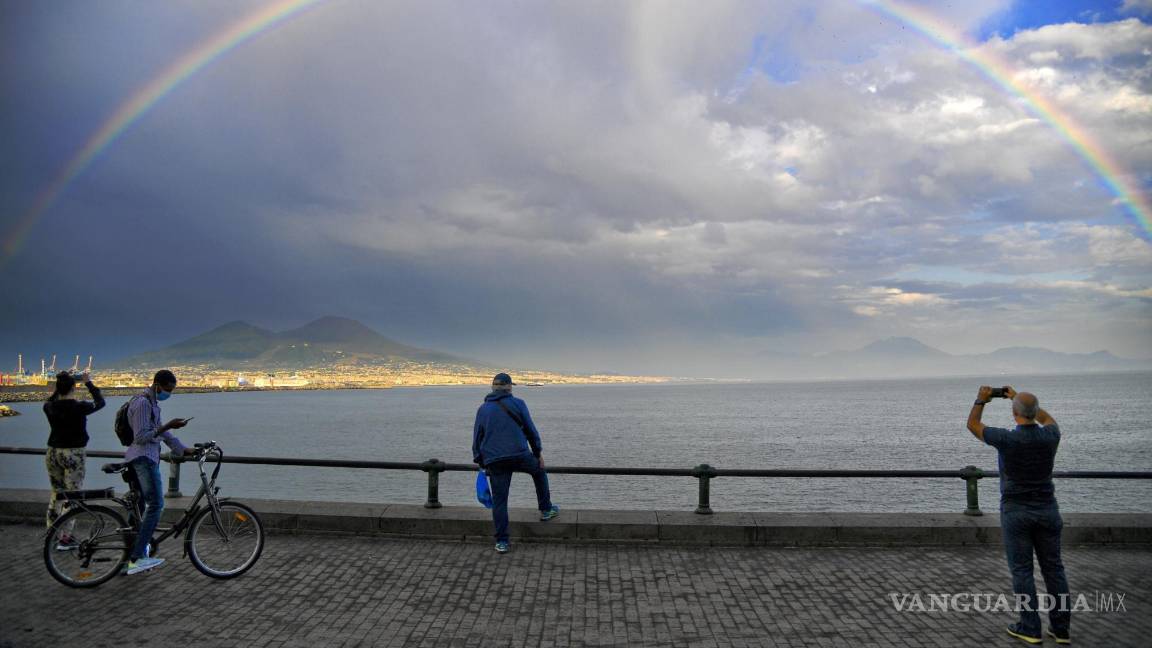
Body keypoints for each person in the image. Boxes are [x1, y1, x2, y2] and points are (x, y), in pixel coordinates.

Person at [967, 385, 1071, 645]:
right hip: (1048, 509)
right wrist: (1017, 397)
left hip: (1016, 511)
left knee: (1022, 571)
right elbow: (1047, 420)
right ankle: (1060, 629)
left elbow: (973, 425)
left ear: (1014, 414)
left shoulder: (1006, 439)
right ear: (1034, 413)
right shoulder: (1050, 435)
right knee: (1054, 569)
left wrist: (981, 400)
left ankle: (1029, 626)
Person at [472, 372, 560, 553]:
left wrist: (481, 461)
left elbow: (477, 439)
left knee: (500, 501)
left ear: (492, 387)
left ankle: (502, 541)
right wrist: (537, 453)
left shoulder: (483, 409)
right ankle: (546, 509)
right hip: (520, 455)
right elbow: (530, 430)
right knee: (539, 471)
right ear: (510, 387)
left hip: (495, 460)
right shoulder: (519, 404)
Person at [123, 369, 194, 575]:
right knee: (156, 505)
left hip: (144, 458)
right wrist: (168, 426)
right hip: (143, 459)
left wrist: (181, 448)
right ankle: (137, 557)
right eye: (167, 389)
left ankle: (127, 556)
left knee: (138, 508)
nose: (169, 393)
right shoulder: (143, 403)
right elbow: (142, 436)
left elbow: (162, 432)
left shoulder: (153, 403)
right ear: (157, 385)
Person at [43, 371, 106, 532]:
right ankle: (66, 536)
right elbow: (100, 402)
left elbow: (52, 399)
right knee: (72, 496)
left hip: (53, 452)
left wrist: (62, 384)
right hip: (73, 453)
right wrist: (89, 383)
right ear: (74, 387)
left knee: (56, 493)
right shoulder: (80, 407)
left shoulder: (49, 407)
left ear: (57, 388)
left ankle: (52, 532)